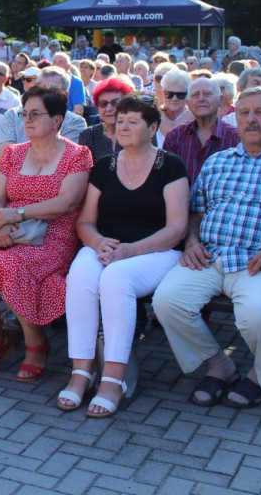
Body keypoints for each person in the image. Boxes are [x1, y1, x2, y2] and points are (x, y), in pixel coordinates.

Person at [153, 87, 261, 410]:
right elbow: (196, 213)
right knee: (167, 302)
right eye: (245, 112)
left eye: (260, 113)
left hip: (259, 261)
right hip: (210, 256)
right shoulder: (217, 163)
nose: (251, 119)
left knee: (259, 317)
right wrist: (191, 241)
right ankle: (220, 365)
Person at [57, 96, 189, 417]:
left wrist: (131, 250)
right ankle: (81, 372)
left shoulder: (170, 166)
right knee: (81, 275)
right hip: (108, 246)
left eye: (133, 120)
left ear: (153, 127)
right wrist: (98, 241)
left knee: (116, 279)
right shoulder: (105, 166)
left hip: (156, 251)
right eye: (121, 119)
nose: (123, 125)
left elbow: (177, 228)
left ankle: (113, 380)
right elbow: (85, 221)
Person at [0, 86, 93, 381]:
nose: (27, 120)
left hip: (54, 234)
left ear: (57, 120)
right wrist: (0, 223)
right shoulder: (13, 154)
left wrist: (17, 214)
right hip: (8, 227)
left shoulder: (77, 155)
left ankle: (36, 343)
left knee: (14, 264)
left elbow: (66, 202)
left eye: (36, 114)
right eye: (24, 114)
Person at [163, 77, 240, 187]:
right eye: (195, 95)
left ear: (221, 100)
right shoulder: (175, 136)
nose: (201, 99)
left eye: (207, 94)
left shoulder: (235, 138)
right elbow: (166, 180)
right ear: (188, 103)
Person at [78, 77, 136, 162]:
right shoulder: (88, 135)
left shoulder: (137, 133)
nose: (108, 108)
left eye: (115, 102)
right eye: (103, 104)